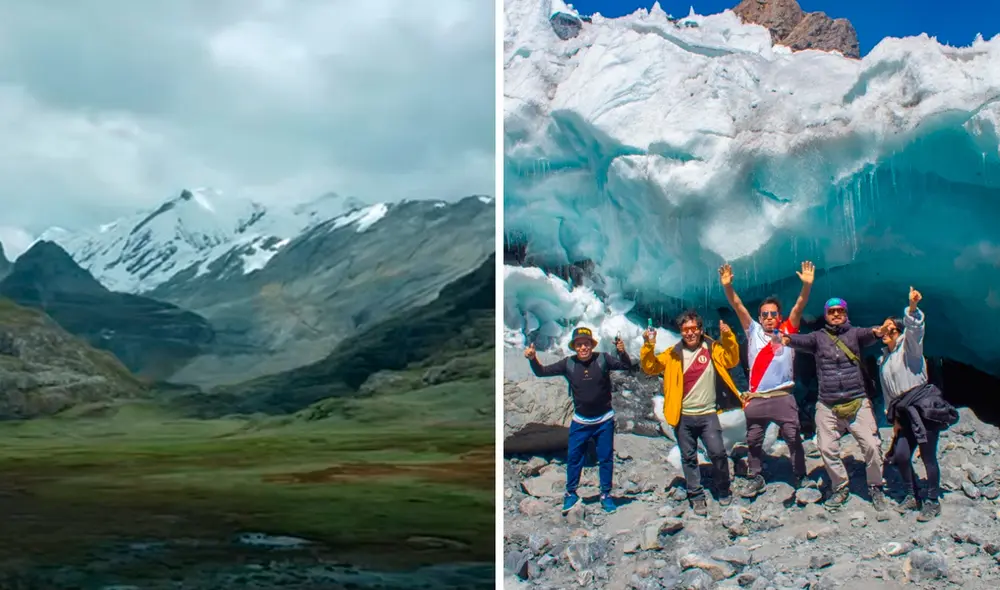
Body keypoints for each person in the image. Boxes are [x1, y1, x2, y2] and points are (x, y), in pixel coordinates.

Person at [781, 297, 889, 511]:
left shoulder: (855, 334)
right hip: (828, 403)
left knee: (872, 446)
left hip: (856, 400)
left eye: (840, 311)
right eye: (832, 311)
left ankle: (875, 485)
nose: (836, 314)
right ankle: (840, 486)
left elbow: (870, 334)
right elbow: (799, 340)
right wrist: (786, 340)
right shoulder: (817, 338)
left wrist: (879, 331)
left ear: (846, 314)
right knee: (826, 447)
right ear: (826, 315)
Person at [719, 261, 814, 496]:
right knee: (753, 440)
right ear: (760, 318)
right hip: (757, 399)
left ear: (778, 316)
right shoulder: (753, 331)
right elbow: (738, 305)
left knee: (793, 437)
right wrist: (728, 287)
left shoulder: (788, 331)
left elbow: (800, 306)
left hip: (783, 397)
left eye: (773, 314)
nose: (769, 318)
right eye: (765, 315)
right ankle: (756, 476)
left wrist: (806, 287)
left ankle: (800, 476)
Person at [640, 311, 743, 516]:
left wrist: (728, 337)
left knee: (718, 453)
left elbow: (731, 359)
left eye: (694, 328)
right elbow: (650, 367)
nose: (690, 333)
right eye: (686, 330)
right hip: (683, 416)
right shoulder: (672, 354)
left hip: (707, 414)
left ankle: (723, 488)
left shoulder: (713, 348)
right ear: (681, 332)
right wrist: (648, 345)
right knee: (688, 457)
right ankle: (696, 495)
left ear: (701, 329)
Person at [525, 326, 632, 514]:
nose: (583, 347)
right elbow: (541, 372)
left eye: (587, 343)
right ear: (574, 347)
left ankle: (606, 495)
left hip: (604, 420)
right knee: (574, 458)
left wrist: (622, 353)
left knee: (605, 458)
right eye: (579, 344)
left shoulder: (603, 359)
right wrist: (533, 358)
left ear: (592, 345)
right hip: (581, 422)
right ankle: (570, 493)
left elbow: (626, 367)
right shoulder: (568, 364)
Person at [878, 287, 957, 522]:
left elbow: (915, 330)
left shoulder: (909, 349)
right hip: (903, 412)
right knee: (901, 456)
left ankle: (932, 501)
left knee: (928, 456)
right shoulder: (883, 358)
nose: (883, 331)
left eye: (888, 328)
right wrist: (892, 419)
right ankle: (912, 495)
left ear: (898, 332)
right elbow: (888, 393)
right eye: (882, 329)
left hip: (923, 409)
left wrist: (911, 309)